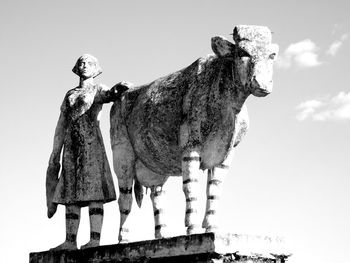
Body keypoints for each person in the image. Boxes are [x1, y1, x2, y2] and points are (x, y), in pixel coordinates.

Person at [46, 54, 129, 250]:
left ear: (96, 69)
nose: (84, 65)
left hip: (91, 145)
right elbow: (61, 124)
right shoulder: (70, 94)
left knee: (94, 193)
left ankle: (94, 240)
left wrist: (119, 88)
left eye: (88, 63)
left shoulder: (97, 88)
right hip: (71, 147)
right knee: (70, 193)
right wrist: (55, 152)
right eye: (81, 63)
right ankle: (70, 241)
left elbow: (110, 94)